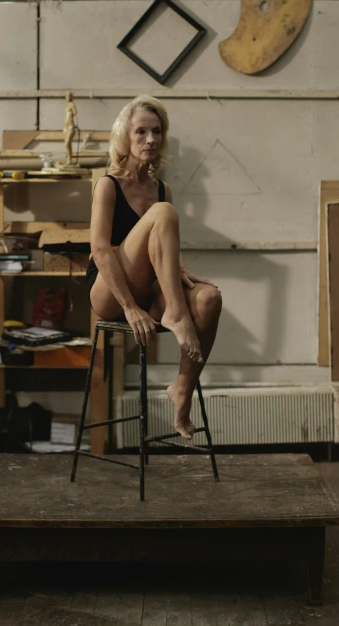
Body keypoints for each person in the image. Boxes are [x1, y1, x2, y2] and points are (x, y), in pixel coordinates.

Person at [86, 94, 222, 440]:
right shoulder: (108, 185)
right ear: (125, 138)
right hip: (109, 291)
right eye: (141, 132)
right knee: (162, 214)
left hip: (147, 285)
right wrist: (130, 308)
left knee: (209, 299)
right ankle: (176, 314)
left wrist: (180, 269)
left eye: (157, 131)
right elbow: (101, 251)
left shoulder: (162, 190)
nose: (151, 139)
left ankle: (182, 388)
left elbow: (164, 248)